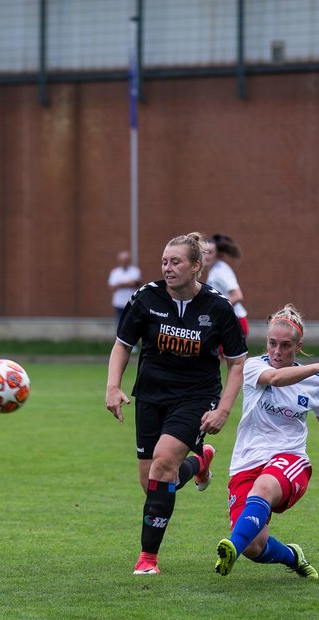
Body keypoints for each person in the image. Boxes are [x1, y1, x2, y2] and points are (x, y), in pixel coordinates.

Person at [105, 231, 248, 575]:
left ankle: (147, 559)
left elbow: (238, 362)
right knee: (152, 482)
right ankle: (199, 463)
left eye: (176, 262)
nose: (167, 268)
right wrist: (113, 387)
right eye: (164, 262)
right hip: (151, 395)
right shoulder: (146, 298)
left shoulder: (218, 307)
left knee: (162, 465)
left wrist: (223, 409)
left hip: (196, 395)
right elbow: (123, 344)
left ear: (196, 266)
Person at [214, 304, 319, 580]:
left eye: (285, 345)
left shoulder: (313, 382)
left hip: (290, 460)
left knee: (264, 487)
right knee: (254, 546)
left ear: (298, 345)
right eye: (272, 343)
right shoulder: (254, 366)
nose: (277, 352)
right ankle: (293, 557)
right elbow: (276, 379)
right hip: (246, 461)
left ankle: (231, 545)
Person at [202, 233, 249, 338]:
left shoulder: (221, 271)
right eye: (204, 252)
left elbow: (237, 295)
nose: (206, 256)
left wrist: (215, 311)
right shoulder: (215, 270)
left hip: (235, 322)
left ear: (218, 254)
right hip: (227, 322)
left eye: (210, 253)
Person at [107, 249, 141, 328]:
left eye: (126, 260)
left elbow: (136, 283)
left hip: (131, 303)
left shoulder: (135, 270)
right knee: (119, 325)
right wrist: (127, 283)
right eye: (123, 260)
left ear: (129, 260)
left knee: (131, 325)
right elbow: (111, 287)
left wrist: (119, 284)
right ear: (119, 260)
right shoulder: (115, 272)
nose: (124, 262)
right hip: (118, 303)